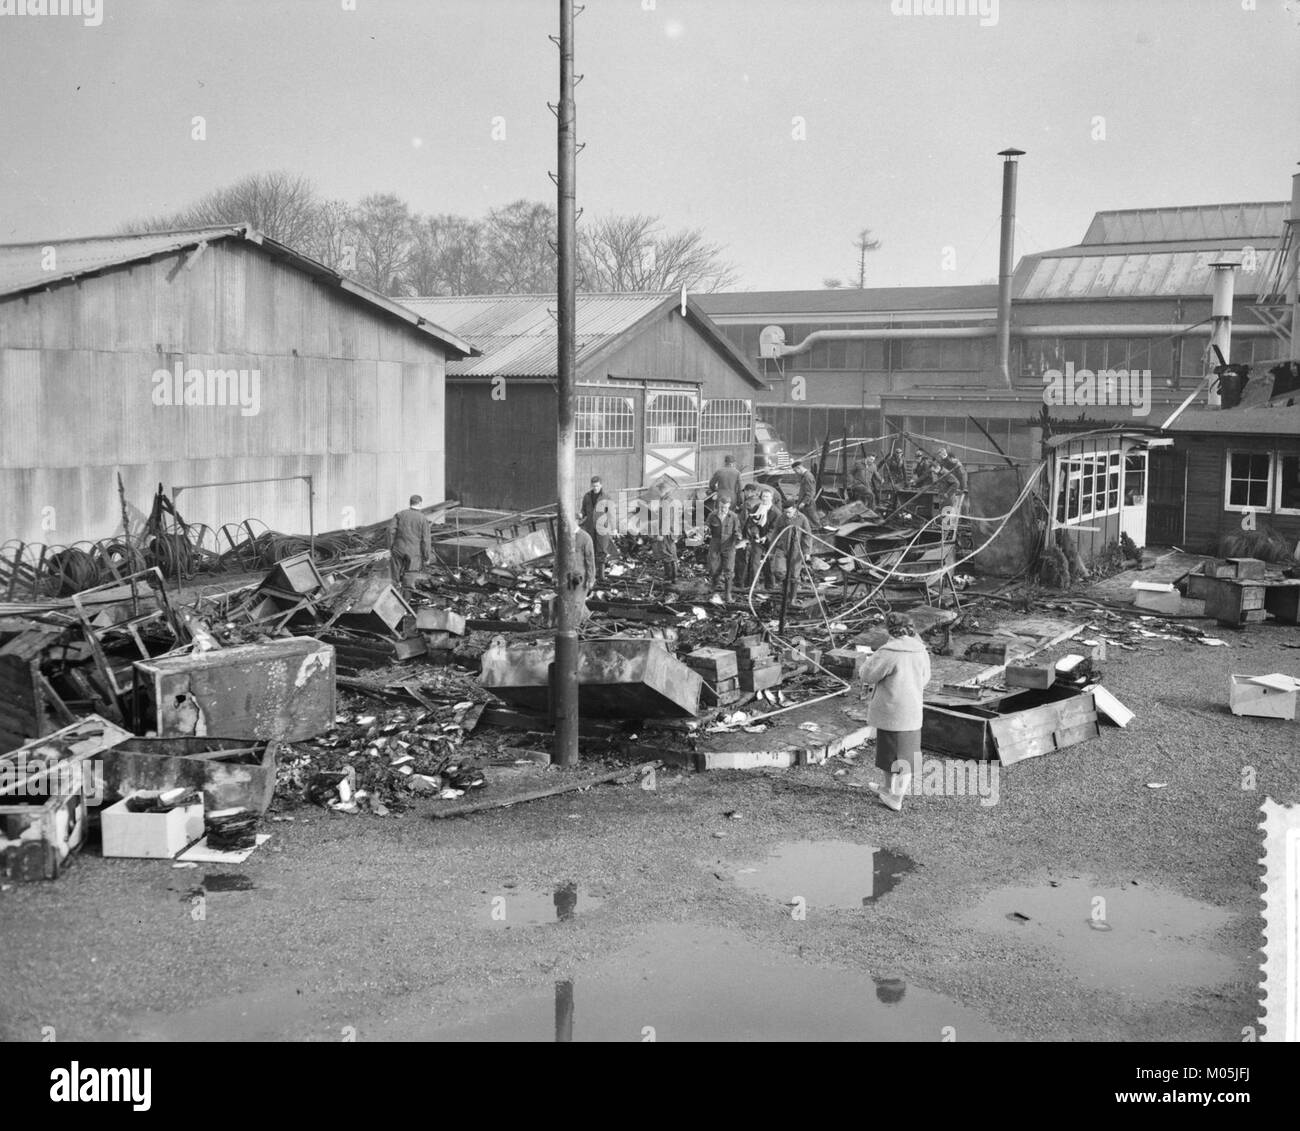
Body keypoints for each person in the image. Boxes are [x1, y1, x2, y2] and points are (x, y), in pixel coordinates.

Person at [859, 611, 932, 812]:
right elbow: (925, 678)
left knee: (892, 754)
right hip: (912, 709)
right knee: (899, 754)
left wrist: (868, 660)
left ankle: (895, 798)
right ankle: (887, 789)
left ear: (889, 630)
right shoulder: (920, 650)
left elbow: (868, 675)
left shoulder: (888, 651)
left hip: (891, 709)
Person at [387, 494, 430, 591]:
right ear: (420, 503)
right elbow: (425, 540)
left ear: (410, 503)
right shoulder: (423, 518)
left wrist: (390, 547)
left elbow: (390, 531)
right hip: (414, 553)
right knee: (409, 577)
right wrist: (426, 556)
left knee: (394, 577)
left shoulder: (399, 514)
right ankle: (406, 602)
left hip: (398, 549)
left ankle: (392, 598)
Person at [739, 485, 778, 589]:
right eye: (763, 496)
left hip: (770, 540)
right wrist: (755, 533)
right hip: (757, 539)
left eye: (767, 497)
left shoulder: (776, 512)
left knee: (769, 563)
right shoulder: (757, 508)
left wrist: (766, 537)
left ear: (771, 498)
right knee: (754, 562)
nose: (765, 499)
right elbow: (751, 523)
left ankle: (770, 586)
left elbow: (775, 528)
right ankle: (753, 585)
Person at [769, 502, 811, 595]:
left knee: (794, 575)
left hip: (796, 549)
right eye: (785, 512)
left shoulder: (802, 518)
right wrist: (772, 551)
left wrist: (807, 552)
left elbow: (807, 536)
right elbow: (775, 533)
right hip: (782, 548)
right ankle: (785, 591)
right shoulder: (781, 518)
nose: (787, 514)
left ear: (794, 509)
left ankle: (792, 598)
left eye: (789, 512)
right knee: (779, 571)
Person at [579, 475, 615, 583]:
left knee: (602, 550)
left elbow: (611, 514)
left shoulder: (606, 497)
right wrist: (580, 514)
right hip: (590, 527)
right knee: (591, 550)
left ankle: (601, 575)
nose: (595, 488)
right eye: (593, 486)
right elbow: (583, 510)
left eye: (597, 486)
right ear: (591, 485)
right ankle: (592, 575)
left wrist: (613, 528)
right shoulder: (587, 496)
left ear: (601, 485)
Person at [707, 496, 741, 602]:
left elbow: (737, 530)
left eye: (725, 507)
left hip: (729, 544)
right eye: (721, 507)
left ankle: (727, 594)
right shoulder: (712, 515)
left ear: (729, 506)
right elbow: (707, 526)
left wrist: (738, 537)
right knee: (713, 568)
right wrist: (705, 529)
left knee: (729, 570)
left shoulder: (734, 516)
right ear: (718, 505)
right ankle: (714, 589)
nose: (723, 509)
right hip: (715, 543)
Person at [649, 477, 681, 583]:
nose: (658, 492)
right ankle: (672, 577)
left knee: (667, 553)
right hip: (672, 532)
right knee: (671, 553)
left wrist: (662, 534)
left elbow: (666, 520)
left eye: (659, 490)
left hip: (667, 532)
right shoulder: (669, 500)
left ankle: (671, 577)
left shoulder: (666, 502)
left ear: (664, 490)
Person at [572, 525, 597, 622]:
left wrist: (591, 579)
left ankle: (576, 627)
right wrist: (555, 576)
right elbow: (558, 555)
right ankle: (587, 618)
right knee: (573, 602)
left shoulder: (585, 538)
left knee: (577, 602)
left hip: (581, 577)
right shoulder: (564, 536)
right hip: (567, 577)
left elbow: (590, 560)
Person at [791, 459, 819, 530]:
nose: (795, 473)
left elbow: (811, 492)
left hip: (808, 504)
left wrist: (803, 503)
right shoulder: (804, 476)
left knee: (813, 521)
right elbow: (805, 490)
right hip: (805, 502)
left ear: (799, 468)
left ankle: (818, 535)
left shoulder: (808, 477)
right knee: (806, 521)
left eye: (795, 471)